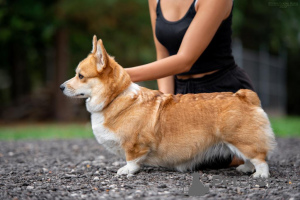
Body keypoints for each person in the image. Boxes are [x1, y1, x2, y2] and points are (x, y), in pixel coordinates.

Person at [125, 0, 254, 168]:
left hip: (220, 97)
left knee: (197, 162)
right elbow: (162, 53)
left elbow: (185, 60)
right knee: (154, 156)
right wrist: (165, 103)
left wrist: (120, 75)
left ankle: (243, 148)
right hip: (180, 94)